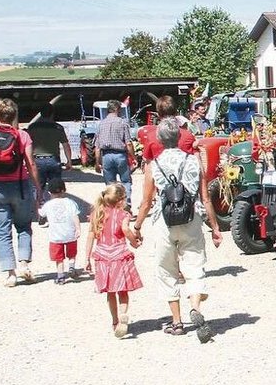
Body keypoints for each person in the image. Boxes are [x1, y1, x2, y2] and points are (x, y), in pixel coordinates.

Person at [133, 118, 223, 341]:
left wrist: (137, 226)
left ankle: (176, 322)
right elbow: (206, 198)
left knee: (167, 270)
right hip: (191, 218)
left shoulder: (154, 165)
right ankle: (195, 308)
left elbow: (146, 201)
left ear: (160, 140)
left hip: (164, 221)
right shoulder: (194, 162)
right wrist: (215, 227)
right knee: (195, 266)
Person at [0, 98, 43, 287]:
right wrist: (38, 188)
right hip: (20, 186)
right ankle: (24, 263)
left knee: (2, 231)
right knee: (24, 226)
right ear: (14, 115)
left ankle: (10, 274)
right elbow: (31, 163)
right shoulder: (22, 136)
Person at [83, 183, 143, 338]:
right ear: (121, 200)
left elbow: (90, 235)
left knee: (110, 292)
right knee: (122, 290)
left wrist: (86, 257)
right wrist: (134, 242)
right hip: (119, 255)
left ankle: (115, 321)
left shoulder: (97, 213)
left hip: (102, 256)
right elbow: (126, 230)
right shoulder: (123, 215)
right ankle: (123, 314)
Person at [39, 178, 81, 283]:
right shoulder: (71, 202)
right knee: (72, 253)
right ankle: (71, 267)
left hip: (56, 235)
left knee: (59, 257)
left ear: (49, 192)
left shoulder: (48, 205)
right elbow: (75, 216)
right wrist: (78, 228)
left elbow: (41, 214)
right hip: (70, 233)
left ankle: (61, 276)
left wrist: (38, 205)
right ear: (64, 190)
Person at [94, 100, 134, 205]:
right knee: (125, 181)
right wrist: (133, 157)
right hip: (120, 155)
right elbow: (128, 143)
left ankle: (111, 205)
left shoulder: (101, 124)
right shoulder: (122, 122)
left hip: (106, 156)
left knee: (110, 184)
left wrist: (97, 162)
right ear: (117, 109)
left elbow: (97, 147)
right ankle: (126, 204)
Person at [26, 105, 73, 196]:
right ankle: (56, 205)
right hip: (53, 160)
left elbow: (28, 145)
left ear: (41, 114)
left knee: (37, 187)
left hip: (37, 160)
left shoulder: (32, 127)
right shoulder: (58, 127)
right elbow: (66, 145)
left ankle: (38, 206)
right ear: (52, 114)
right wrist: (69, 161)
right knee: (56, 188)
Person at [137, 95, 195, 162]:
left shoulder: (151, 136)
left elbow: (147, 162)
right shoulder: (188, 135)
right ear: (176, 113)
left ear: (158, 115)